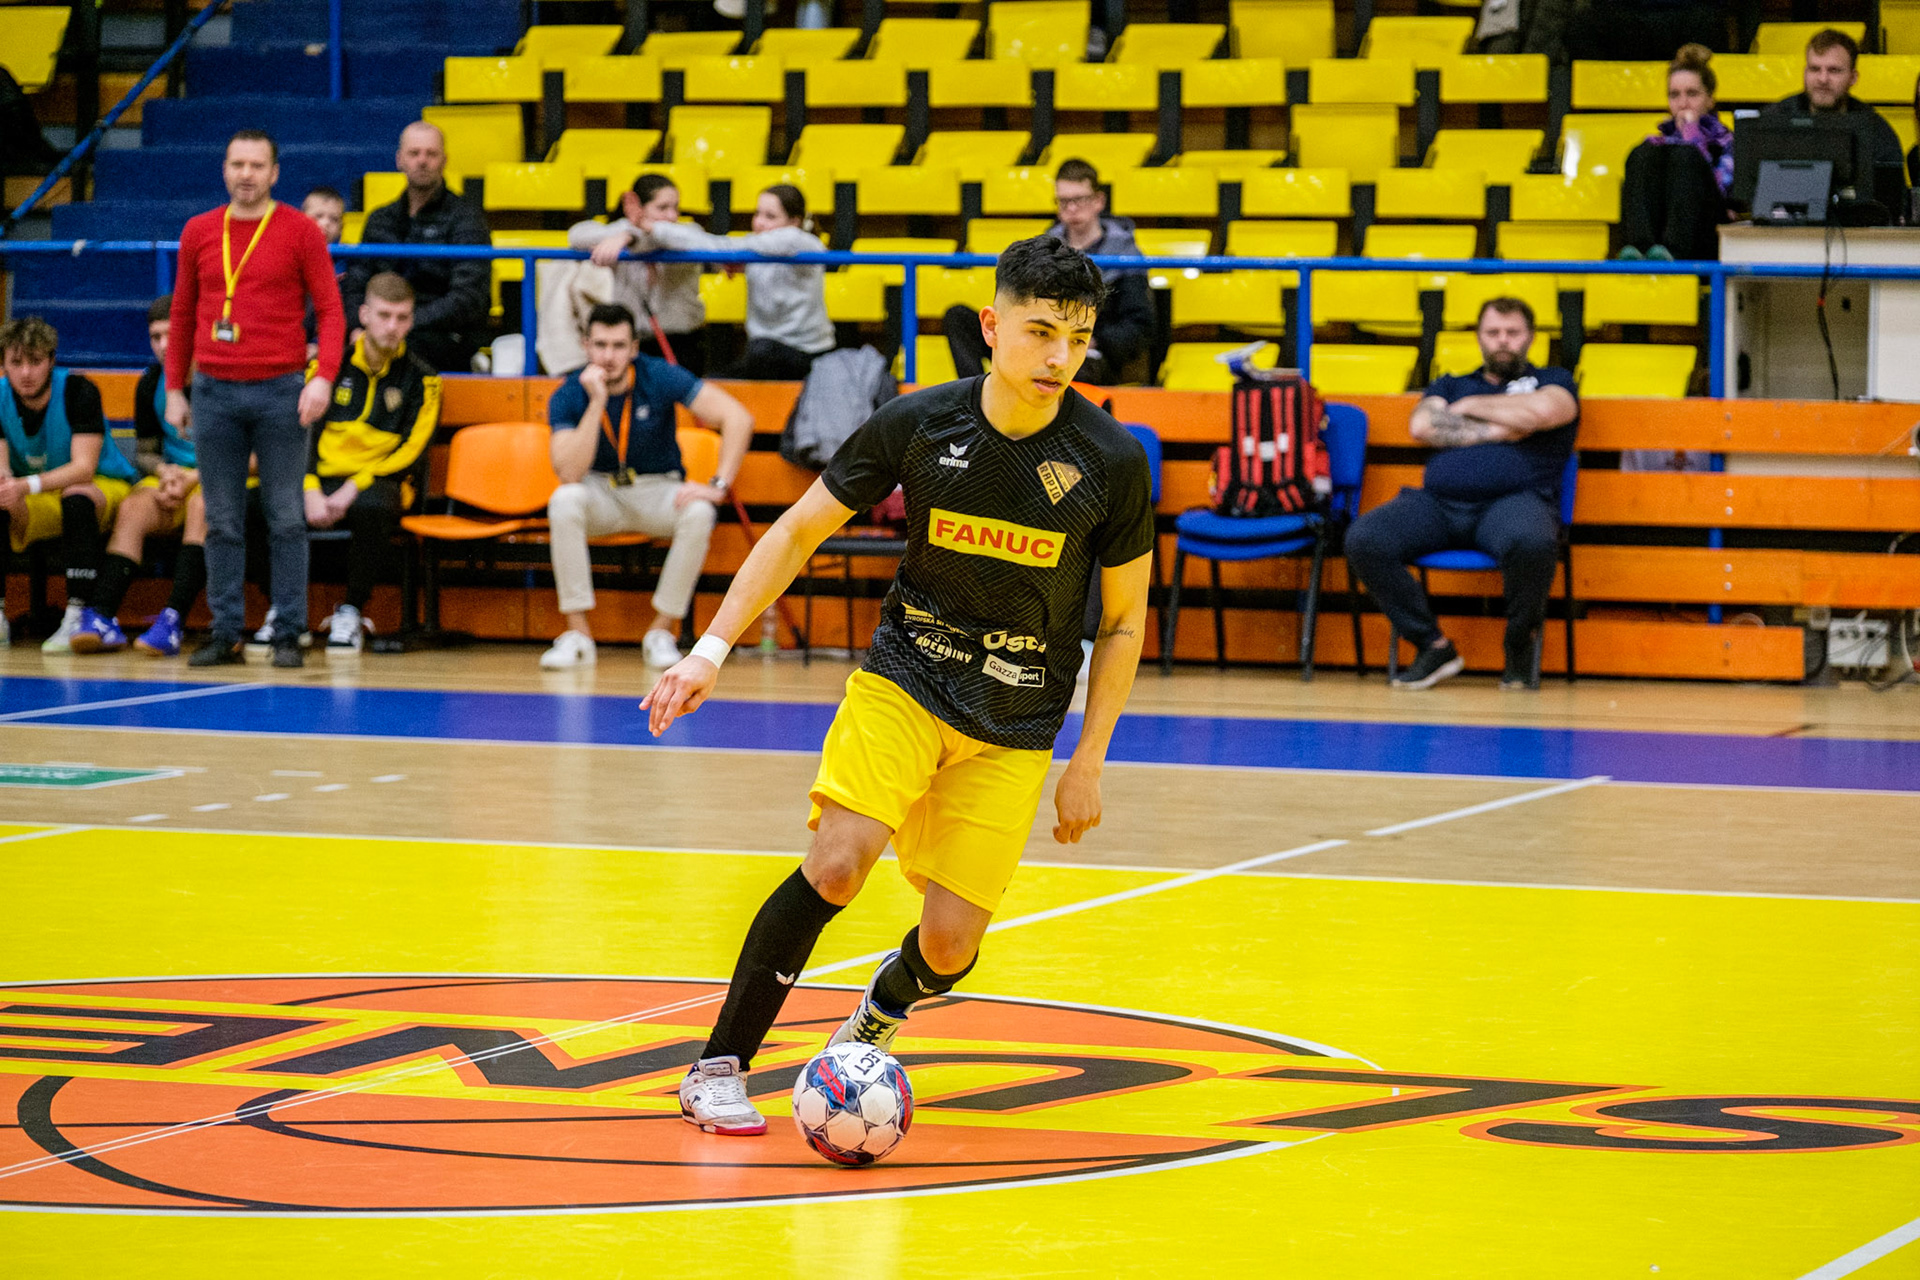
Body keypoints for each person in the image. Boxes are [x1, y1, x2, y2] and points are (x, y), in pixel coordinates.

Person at [644, 236, 1155, 1137]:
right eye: (1041, 332)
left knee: (950, 945)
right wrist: (709, 650)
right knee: (839, 862)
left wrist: (1089, 762)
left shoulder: (1110, 459)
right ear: (992, 326)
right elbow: (797, 530)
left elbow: (1120, 623)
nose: (1060, 358)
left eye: (1078, 339)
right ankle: (718, 1067)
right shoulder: (920, 424)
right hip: (908, 676)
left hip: (1017, 718)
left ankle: (878, 1013)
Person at [168, 128, 345, 669]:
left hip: (281, 390)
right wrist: (174, 388)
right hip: (213, 391)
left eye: (256, 165)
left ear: (274, 173)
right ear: (225, 170)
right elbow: (181, 313)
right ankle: (226, 632)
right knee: (221, 519)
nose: (246, 174)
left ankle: (289, 632)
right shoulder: (199, 230)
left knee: (286, 517)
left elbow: (331, 311)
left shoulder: (300, 231)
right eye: (237, 164)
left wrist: (323, 377)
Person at [1343, 297, 1579, 693]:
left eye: (1513, 332)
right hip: (1438, 504)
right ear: (1479, 337)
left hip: (1515, 502)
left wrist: (1468, 408)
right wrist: (1500, 428)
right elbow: (1423, 426)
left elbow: (1541, 413)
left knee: (1534, 543)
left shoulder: (1554, 380)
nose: (1502, 340)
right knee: (1365, 539)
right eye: (1493, 332)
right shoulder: (1451, 384)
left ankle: (1519, 645)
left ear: (1531, 338)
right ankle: (1432, 646)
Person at [540, 303, 754, 671]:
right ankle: (578, 635)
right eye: (600, 345)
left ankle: (661, 631)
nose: (609, 356)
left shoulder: (658, 375)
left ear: (634, 348)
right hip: (599, 490)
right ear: (586, 346)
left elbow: (738, 417)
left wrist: (718, 485)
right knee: (564, 500)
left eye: (618, 345)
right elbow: (570, 473)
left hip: (657, 489)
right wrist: (597, 403)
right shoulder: (569, 392)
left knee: (699, 512)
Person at [304, 272, 441, 652]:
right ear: (364, 314)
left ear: (411, 321)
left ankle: (350, 611)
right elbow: (302, 433)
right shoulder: (327, 368)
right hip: (322, 478)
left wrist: (355, 485)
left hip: (381, 481)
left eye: (402, 317)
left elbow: (412, 451)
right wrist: (309, 487)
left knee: (373, 506)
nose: (392, 326)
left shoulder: (425, 380)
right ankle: (284, 613)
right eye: (384, 315)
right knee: (257, 504)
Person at [68, 298, 206, 656]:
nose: (163, 345)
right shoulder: (150, 384)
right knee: (133, 508)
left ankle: (173, 619)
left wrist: (192, 478)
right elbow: (146, 452)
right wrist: (165, 471)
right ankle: (103, 616)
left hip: (217, 477)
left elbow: (244, 454)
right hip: (173, 479)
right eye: (155, 337)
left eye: (171, 335)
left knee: (204, 507)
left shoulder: (220, 379)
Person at [944, 159, 1153, 386]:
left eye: (1079, 200)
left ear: (1098, 200)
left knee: (1074, 372)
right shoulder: (1045, 248)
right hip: (1038, 341)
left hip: (1091, 354)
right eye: (1063, 201)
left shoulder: (1126, 255)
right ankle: (977, 394)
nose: (1071, 208)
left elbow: (1139, 325)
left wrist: (1089, 340)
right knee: (959, 317)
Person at [0, 318, 139, 651]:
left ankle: (78, 613)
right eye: (16, 362)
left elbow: (83, 469)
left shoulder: (79, 390)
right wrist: (6, 486)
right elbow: (2, 466)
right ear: (3, 364)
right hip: (38, 492)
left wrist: (24, 486)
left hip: (102, 484)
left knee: (77, 497)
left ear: (51, 360)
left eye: (35, 361)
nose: (26, 373)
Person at [623, 183, 835, 380]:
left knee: (755, 355)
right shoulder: (760, 250)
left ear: (794, 222)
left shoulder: (799, 241)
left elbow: (721, 246)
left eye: (770, 216)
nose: (759, 222)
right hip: (765, 353)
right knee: (714, 384)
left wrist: (651, 226)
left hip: (806, 354)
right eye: (757, 213)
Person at [339, 122, 491, 373]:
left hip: (442, 337)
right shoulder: (379, 219)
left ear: (444, 160)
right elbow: (355, 285)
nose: (422, 161)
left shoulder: (467, 219)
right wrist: (360, 325)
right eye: (414, 153)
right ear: (399, 160)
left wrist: (401, 324)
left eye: (431, 154)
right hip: (380, 330)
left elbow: (468, 299)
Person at [568, 173, 708, 374]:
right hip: (633, 345)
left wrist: (632, 236)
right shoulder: (623, 232)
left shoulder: (687, 232)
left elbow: (679, 239)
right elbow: (576, 235)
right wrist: (629, 232)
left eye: (675, 207)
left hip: (682, 344)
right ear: (638, 207)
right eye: (662, 208)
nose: (672, 216)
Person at [1759, 29, 1907, 202]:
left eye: (1834, 70)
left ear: (1853, 77)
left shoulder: (1876, 131)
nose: (1823, 79)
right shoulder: (1773, 120)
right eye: (1814, 69)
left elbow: (1892, 204)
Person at [1618, 44, 1734, 262]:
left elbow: (1724, 192)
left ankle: (1674, 252)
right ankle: (1640, 249)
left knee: (1685, 157)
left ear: (1710, 99)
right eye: (1674, 95)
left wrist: (1692, 137)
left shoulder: (1727, 141)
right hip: (1661, 229)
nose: (1683, 103)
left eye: (1692, 94)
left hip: (1707, 233)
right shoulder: (1656, 146)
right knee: (1641, 153)